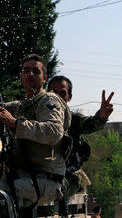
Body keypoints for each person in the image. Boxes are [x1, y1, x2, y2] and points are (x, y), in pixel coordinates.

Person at [0, 54, 72, 211]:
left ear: (44, 78)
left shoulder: (49, 100)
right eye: (26, 71)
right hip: (22, 179)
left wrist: (15, 124)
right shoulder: (19, 107)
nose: (30, 74)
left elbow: (54, 132)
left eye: (36, 71)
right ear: (20, 76)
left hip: (46, 180)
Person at [47, 75, 114, 214]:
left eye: (62, 93)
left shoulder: (73, 120)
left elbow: (89, 124)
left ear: (69, 97)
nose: (57, 97)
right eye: (53, 93)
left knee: (61, 189)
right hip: (43, 174)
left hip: (68, 176)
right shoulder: (39, 118)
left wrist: (101, 116)